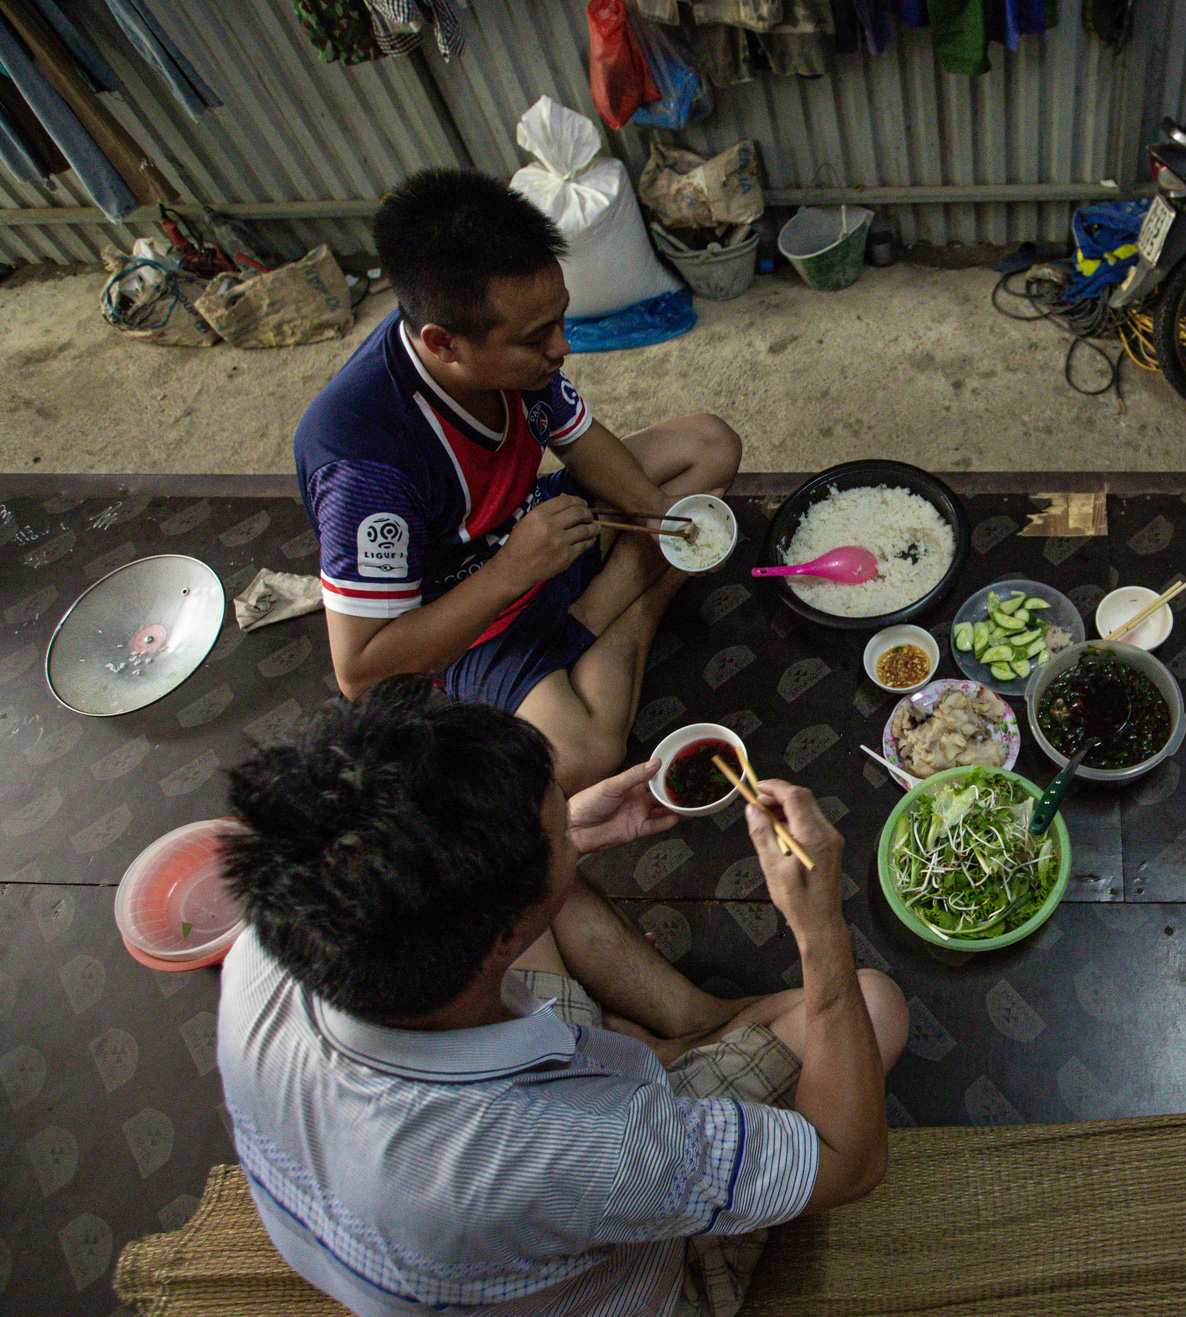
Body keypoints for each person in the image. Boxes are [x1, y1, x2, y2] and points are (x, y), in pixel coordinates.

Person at [216, 677, 907, 1317]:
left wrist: (567, 832)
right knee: (873, 1005)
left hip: (440, 1174)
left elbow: (487, 897)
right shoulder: (583, 1147)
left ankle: (684, 1028)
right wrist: (820, 929)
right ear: (501, 937)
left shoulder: (273, 941)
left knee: (548, 890)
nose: (568, 818)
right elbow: (848, 1162)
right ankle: (677, 1043)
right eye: (555, 825)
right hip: (620, 1252)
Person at [296, 168, 742, 792]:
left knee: (710, 446)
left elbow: (580, 441)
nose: (563, 349)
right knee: (581, 756)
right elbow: (363, 674)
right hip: (471, 610)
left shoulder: (517, 351)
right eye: (538, 339)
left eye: (560, 320)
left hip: (541, 529)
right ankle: (631, 607)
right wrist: (512, 569)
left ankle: (603, 605)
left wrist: (665, 519)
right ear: (443, 344)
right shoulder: (365, 461)